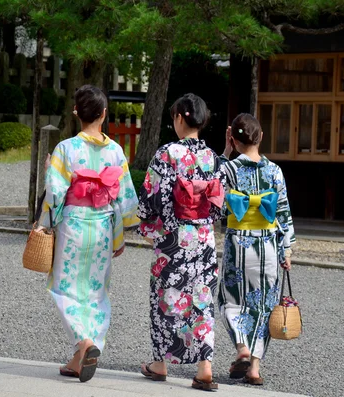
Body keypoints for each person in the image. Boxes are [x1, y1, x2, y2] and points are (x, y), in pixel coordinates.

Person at [38, 85, 139, 382]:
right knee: (95, 293)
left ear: (76, 112)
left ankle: (84, 341)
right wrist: (120, 237)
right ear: (104, 114)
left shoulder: (66, 149)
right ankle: (78, 359)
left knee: (64, 288)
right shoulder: (116, 151)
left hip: (74, 226)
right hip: (103, 227)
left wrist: (45, 223)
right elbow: (125, 199)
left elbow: (55, 192)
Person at [137, 93, 225, 391]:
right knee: (201, 300)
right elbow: (217, 203)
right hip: (203, 238)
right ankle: (205, 369)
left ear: (179, 118)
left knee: (166, 298)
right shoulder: (212, 157)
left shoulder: (167, 154)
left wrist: (152, 228)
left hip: (175, 237)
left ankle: (160, 364)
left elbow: (152, 198)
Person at [217, 113, 295, 386]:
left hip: (239, 241)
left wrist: (225, 153)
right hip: (269, 245)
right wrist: (287, 249)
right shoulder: (274, 171)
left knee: (231, 299)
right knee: (264, 305)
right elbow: (283, 211)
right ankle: (255, 369)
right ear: (260, 137)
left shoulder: (228, 169)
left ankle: (242, 348)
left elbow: (212, 193)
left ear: (234, 140)